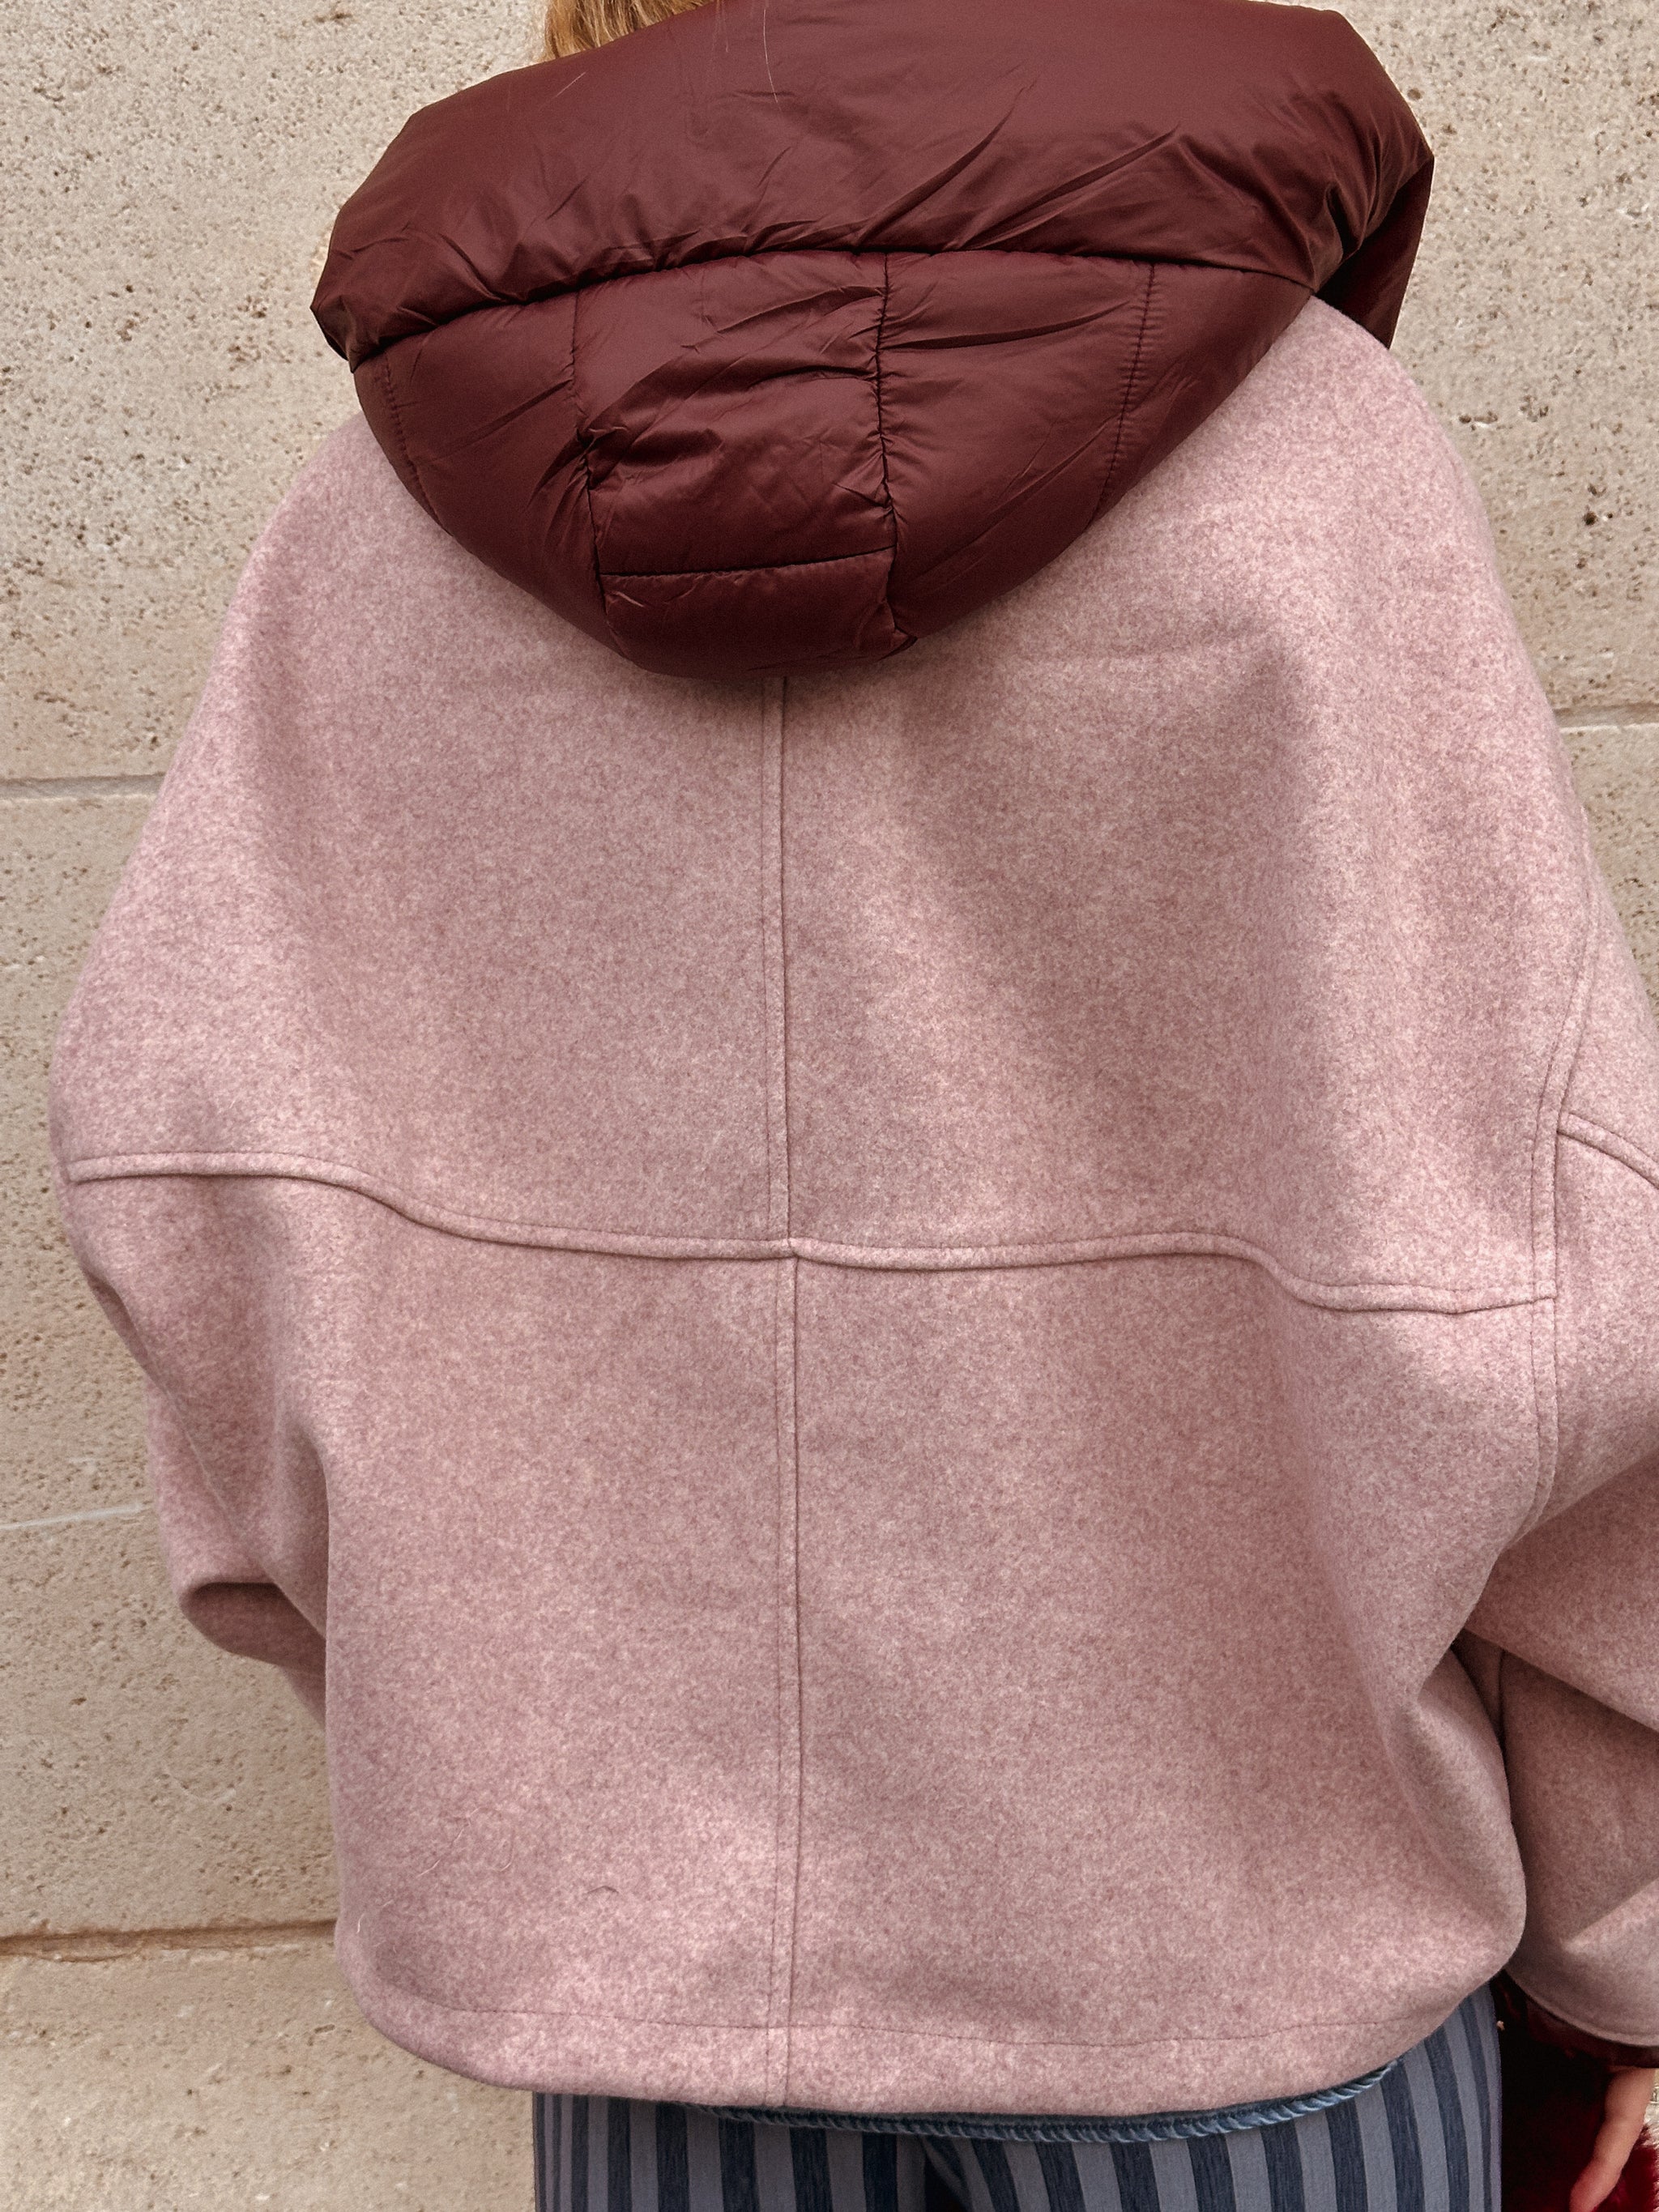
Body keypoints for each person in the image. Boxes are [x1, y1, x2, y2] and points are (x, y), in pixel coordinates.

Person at [45, 0, 1659, 2206]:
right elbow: (1548, 1262)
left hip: (639, 1991)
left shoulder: (384, 518)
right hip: (1239, 1968)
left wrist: (491, 1730)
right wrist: (1622, 1937)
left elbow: (191, 1193)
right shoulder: (1306, 467)